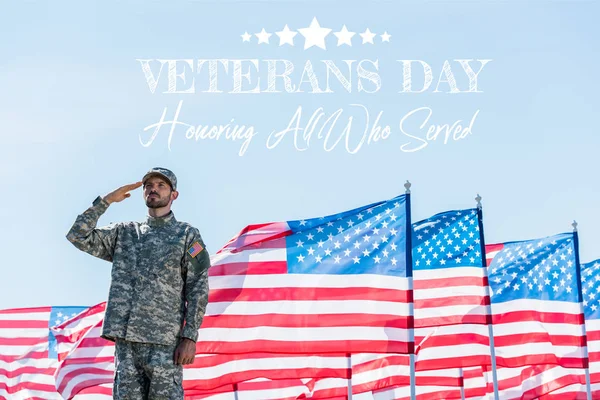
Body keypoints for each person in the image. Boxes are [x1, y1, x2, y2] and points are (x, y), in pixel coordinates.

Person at [66, 167, 210, 400]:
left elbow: (198, 287)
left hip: (165, 345)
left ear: (174, 195)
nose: (153, 189)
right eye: (149, 185)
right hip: (127, 346)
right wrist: (106, 201)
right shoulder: (124, 233)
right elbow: (78, 236)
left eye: (161, 185)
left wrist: (190, 336)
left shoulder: (186, 235)